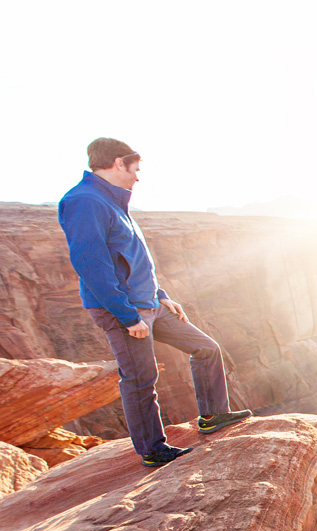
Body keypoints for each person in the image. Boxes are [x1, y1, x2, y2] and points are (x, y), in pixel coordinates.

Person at [58, 138, 251, 468]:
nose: (138, 177)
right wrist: (127, 315)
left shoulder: (113, 200)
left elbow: (133, 259)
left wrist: (161, 295)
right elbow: (92, 264)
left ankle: (213, 415)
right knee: (140, 379)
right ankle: (153, 449)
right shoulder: (85, 201)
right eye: (135, 169)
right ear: (118, 163)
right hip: (124, 310)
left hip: (149, 303)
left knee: (206, 348)